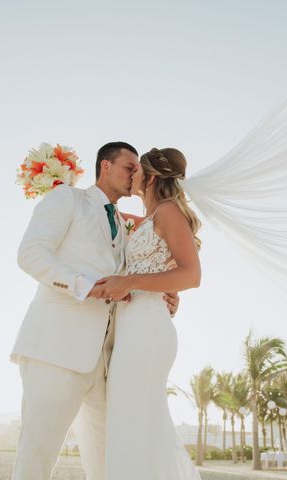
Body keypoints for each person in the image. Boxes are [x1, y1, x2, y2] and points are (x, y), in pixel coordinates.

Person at [10, 142, 179, 480]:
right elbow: (30, 253)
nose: (137, 175)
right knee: (37, 457)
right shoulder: (68, 199)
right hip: (55, 351)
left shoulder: (124, 223)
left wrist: (164, 292)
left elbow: (141, 269)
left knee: (111, 463)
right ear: (105, 166)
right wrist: (85, 285)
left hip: (106, 365)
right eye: (129, 167)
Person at [91, 147, 202, 480]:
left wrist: (132, 283)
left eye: (138, 170)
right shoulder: (149, 220)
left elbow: (191, 275)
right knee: (131, 423)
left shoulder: (169, 211)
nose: (133, 174)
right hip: (132, 328)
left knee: (137, 422)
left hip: (147, 329)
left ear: (151, 178)